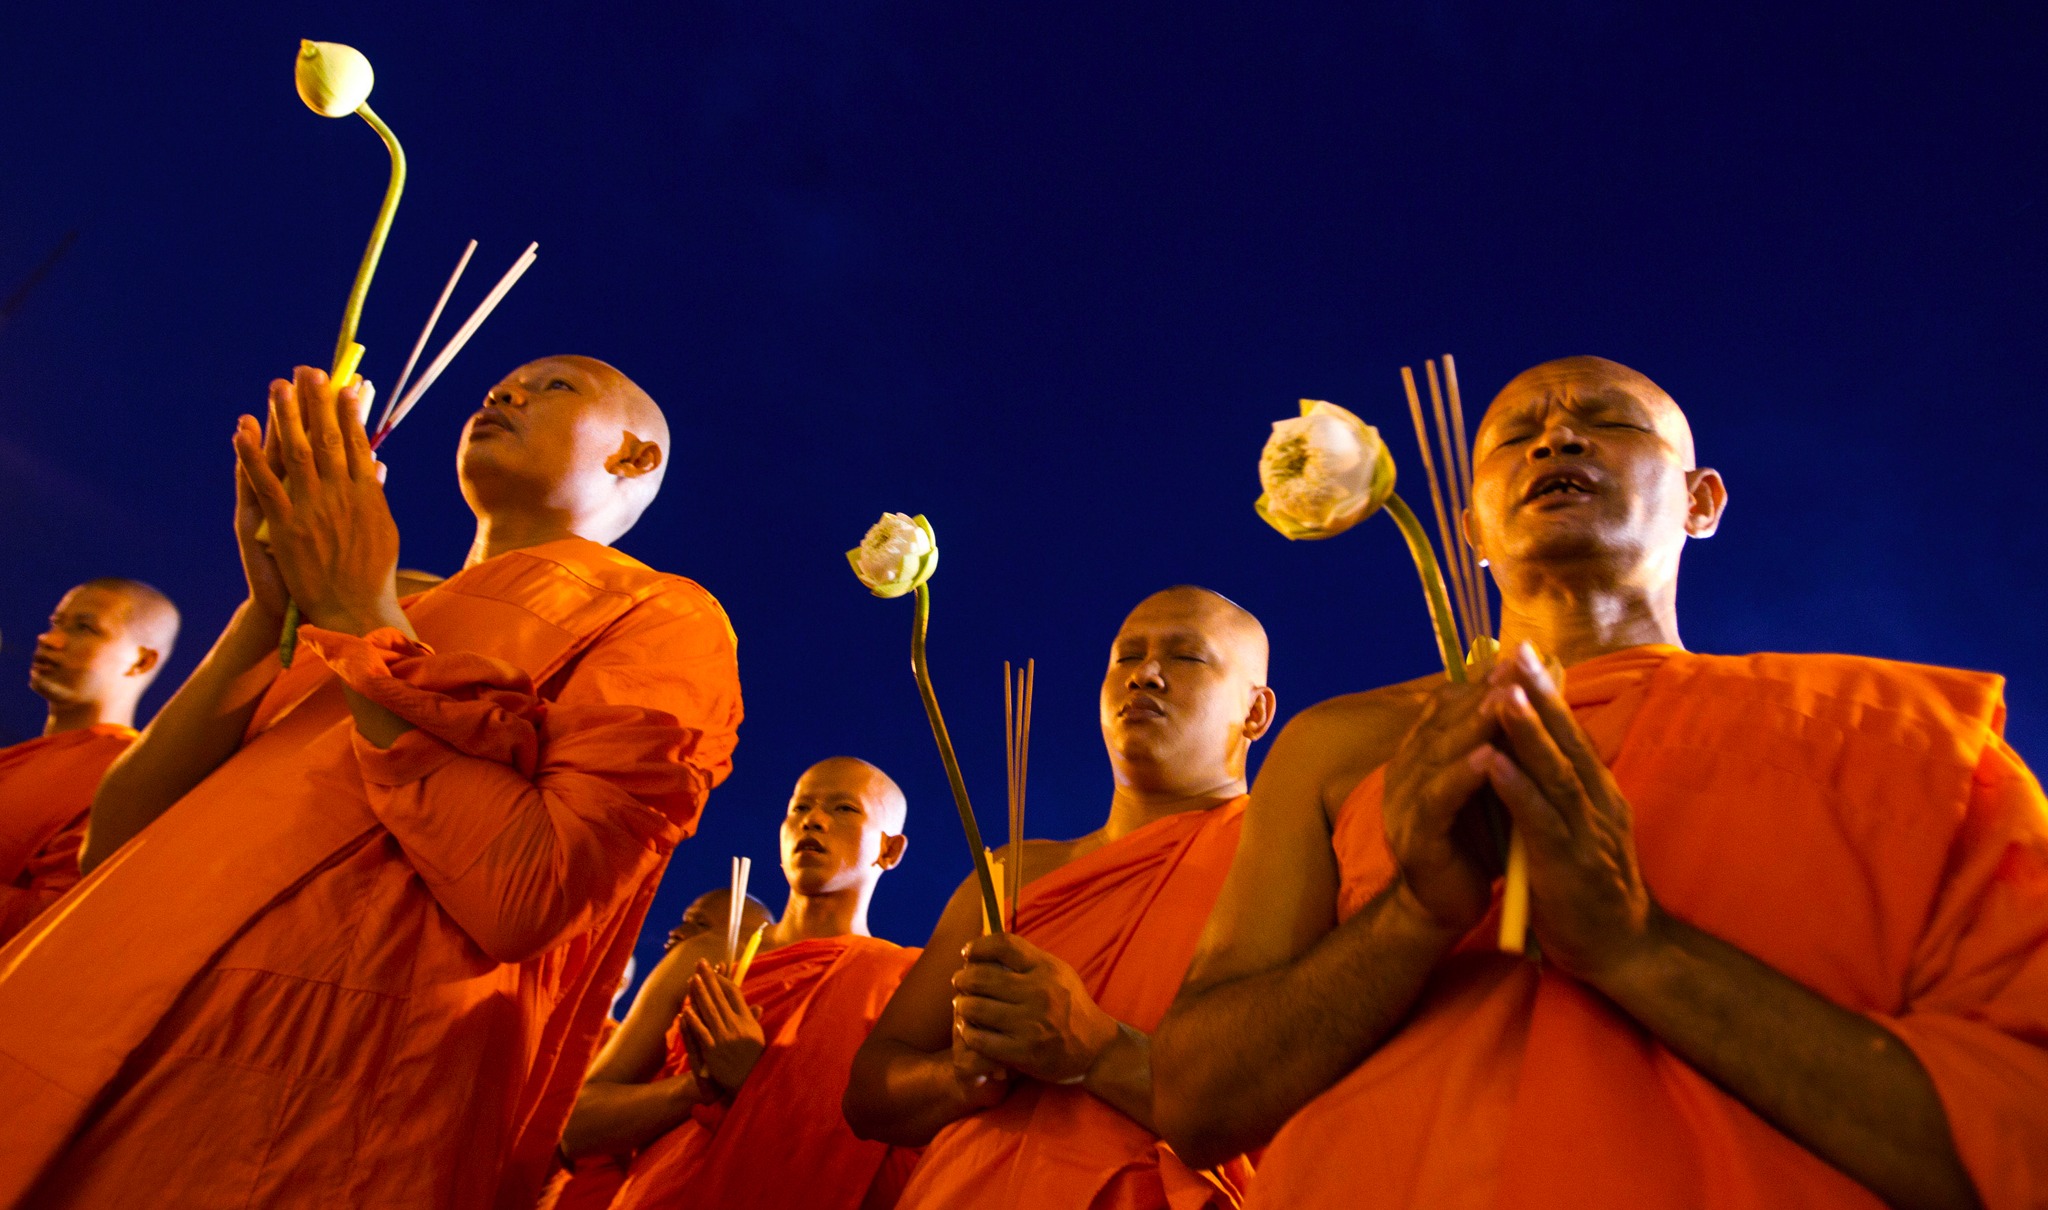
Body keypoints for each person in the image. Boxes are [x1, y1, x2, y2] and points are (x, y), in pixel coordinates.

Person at [1153, 356, 2048, 1210]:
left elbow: (2017, 1140)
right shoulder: (1346, 746)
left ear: (1701, 502)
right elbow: (1196, 1102)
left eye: (1607, 421)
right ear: (1471, 529)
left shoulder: (1893, 739)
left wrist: (1639, 948)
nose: (1555, 442)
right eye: (1516, 438)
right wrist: (1415, 916)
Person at [0, 357, 744, 1207]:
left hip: (304, 1093)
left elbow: (529, 893)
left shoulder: (662, 616)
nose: (504, 395)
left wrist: (359, 618)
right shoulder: (385, 604)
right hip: (101, 1017)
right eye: (502, 385)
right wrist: (268, 609)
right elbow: (117, 839)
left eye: (555, 388)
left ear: (633, 459)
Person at [845, 587, 1277, 1209]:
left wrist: (1097, 1048)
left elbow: (1290, 1089)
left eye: (1186, 659)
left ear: (1256, 712)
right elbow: (868, 1092)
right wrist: (959, 1078)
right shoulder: (1012, 874)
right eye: (1126, 658)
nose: (1145, 675)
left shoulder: (1286, 854)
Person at [565, 757, 919, 1210]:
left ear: (889, 851)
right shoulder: (708, 956)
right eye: (799, 808)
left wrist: (757, 1080)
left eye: (845, 808)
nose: (813, 819)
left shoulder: (906, 982)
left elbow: (893, 1159)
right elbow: (578, 1124)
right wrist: (698, 1087)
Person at [536, 890, 772, 1210]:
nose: (676, 933)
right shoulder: (625, 1044)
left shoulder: (767, 1032)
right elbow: (574, 1130)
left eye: (700, 925)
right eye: (684, 922)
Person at [0, 579, 178, 940]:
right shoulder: (20, 759)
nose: (49, 639)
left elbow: (53, 923)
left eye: (84, 628)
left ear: (140, 660)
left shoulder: (123, 775)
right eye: (56, 623)